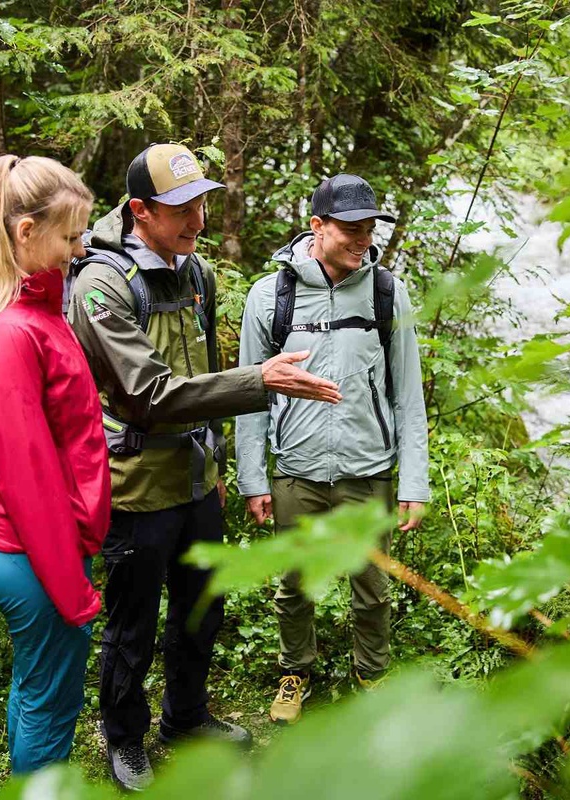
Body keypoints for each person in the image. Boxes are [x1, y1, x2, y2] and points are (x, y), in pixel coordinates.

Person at [67, 143, 341, 791]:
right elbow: (148, 394)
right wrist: (259, 380)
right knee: (132, 625)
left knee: (201, 609)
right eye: (182, 208)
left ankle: (184, 719)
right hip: (135, 487)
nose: (198, 220)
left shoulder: (196, 275)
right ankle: (125, 738)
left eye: (202, 203)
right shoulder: (103, 285)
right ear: (140, 210)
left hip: (194, 481)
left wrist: (216, 458)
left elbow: (201, 375)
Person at [236, 173, 429, 725]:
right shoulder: (270, 296)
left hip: (368, 472)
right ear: (317, 226)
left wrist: (413, 482)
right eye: (350, 229)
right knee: (295, 585)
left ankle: (372, 675)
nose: (362, 240)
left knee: (372, 588)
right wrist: (253, 477)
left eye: (369, 229)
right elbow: (252, 394)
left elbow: (407, 394)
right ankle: (296, 669)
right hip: (296, 472)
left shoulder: (388, 292)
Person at [0, 155, 110, 773]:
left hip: (39, 546)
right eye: (71, 235)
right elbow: (28, 477)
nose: (79, 250)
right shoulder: (9, 333)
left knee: (38, 691)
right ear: (26, 232)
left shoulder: (37, 313)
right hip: (32, 552)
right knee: (50, 704)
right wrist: (71, 588)